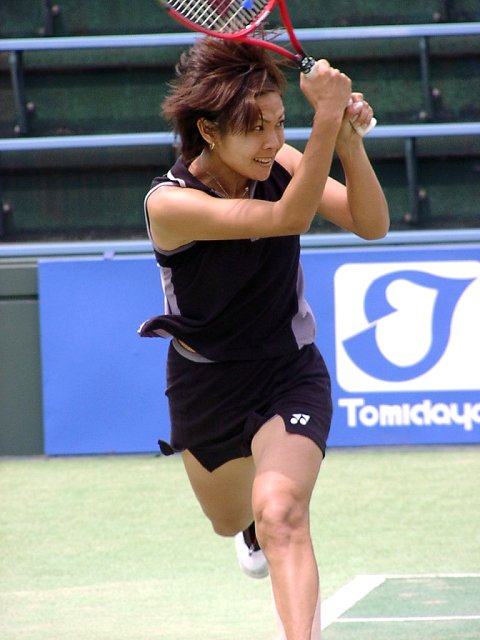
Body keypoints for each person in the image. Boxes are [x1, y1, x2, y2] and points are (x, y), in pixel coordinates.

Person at [139, 37, 389, 640]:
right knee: (231, 520)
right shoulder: (170, 203)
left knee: (282, 513)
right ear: (208, 130)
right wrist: (325, 117)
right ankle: (247, 525)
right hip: (206, 382)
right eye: (256, 129)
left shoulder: (281, 163)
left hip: (288, 368)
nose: (274, 141)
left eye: (279, 123)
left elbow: (371, 223)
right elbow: (287, 218)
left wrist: (347, 143)